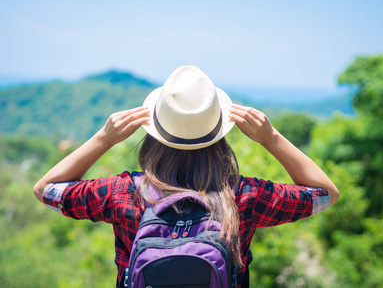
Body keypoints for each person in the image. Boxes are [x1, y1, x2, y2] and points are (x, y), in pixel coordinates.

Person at [34, 66, 339, 288]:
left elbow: (46, 189)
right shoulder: (243, 197)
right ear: (220, 136)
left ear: (154, 133)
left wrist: (104, 138)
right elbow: (325, 194)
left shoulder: (123, 193)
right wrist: (271, 138)